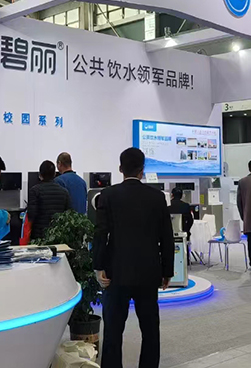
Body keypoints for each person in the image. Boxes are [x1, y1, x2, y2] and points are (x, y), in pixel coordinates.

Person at [93, 148, 174, 368]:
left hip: (116, 272)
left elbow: (100, 233)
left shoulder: (108, 195)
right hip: (149, 272)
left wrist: (98, 266)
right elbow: (167, 237)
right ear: (142, 170)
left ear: (120, 168)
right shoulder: (157, 197)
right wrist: (167, 270)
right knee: (150, 331)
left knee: (113, 331)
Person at [25, 160, 72, 242]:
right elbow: (68, 215)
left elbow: (31, 215)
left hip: (39, 237)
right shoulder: (64, 192)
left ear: (40, 174)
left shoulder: (35, 191)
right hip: (58, 236)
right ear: (54, 174)